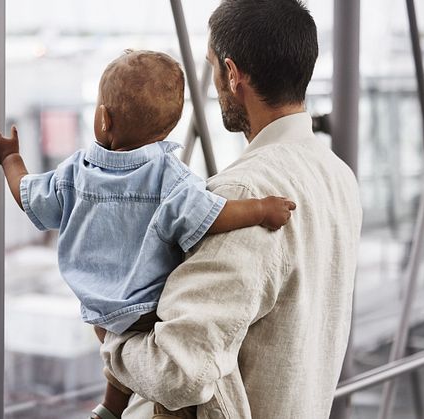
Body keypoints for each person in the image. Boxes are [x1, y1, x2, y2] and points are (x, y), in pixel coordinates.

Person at [0, 50, 296, 419]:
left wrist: (10, 159)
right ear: (168, 128)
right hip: (147, 308)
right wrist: (261, 209)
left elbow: (29, 197)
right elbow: (213, 214)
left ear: (103, 120)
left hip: (96, 309)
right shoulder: (170, 179)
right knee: (155, 372)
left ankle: (111, 407)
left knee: (116, 350)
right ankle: (135, 407)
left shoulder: (76, 171)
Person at [97, 1, 363, 418]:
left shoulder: (242, 192)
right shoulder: (338, 175)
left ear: (233, 75)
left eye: (212, 68)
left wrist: (113, 339)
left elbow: (178, 371)